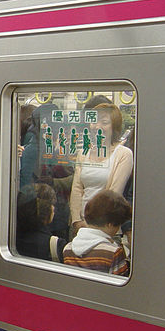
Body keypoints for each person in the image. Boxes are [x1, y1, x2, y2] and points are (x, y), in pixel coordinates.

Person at [69, 104, 133, 236]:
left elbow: (114, 193)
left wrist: (90, 225)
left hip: (107, 228)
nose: (97, 126)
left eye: (104, 122)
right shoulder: (83, 152)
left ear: (114, 126)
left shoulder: (123, 154)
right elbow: (76, 188)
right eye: (94, 122)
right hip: (80, 228)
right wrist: (76, 221)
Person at [62, 189, 131, 275]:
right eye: (118, 225)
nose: (118, 229)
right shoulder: (113, 252)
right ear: (110, 224)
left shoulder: (68, 249)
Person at [16, 183, 66, 262]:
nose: (54, 209)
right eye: (52, 204)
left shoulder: (12, 239)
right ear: (47, 210)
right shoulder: (55, 245)